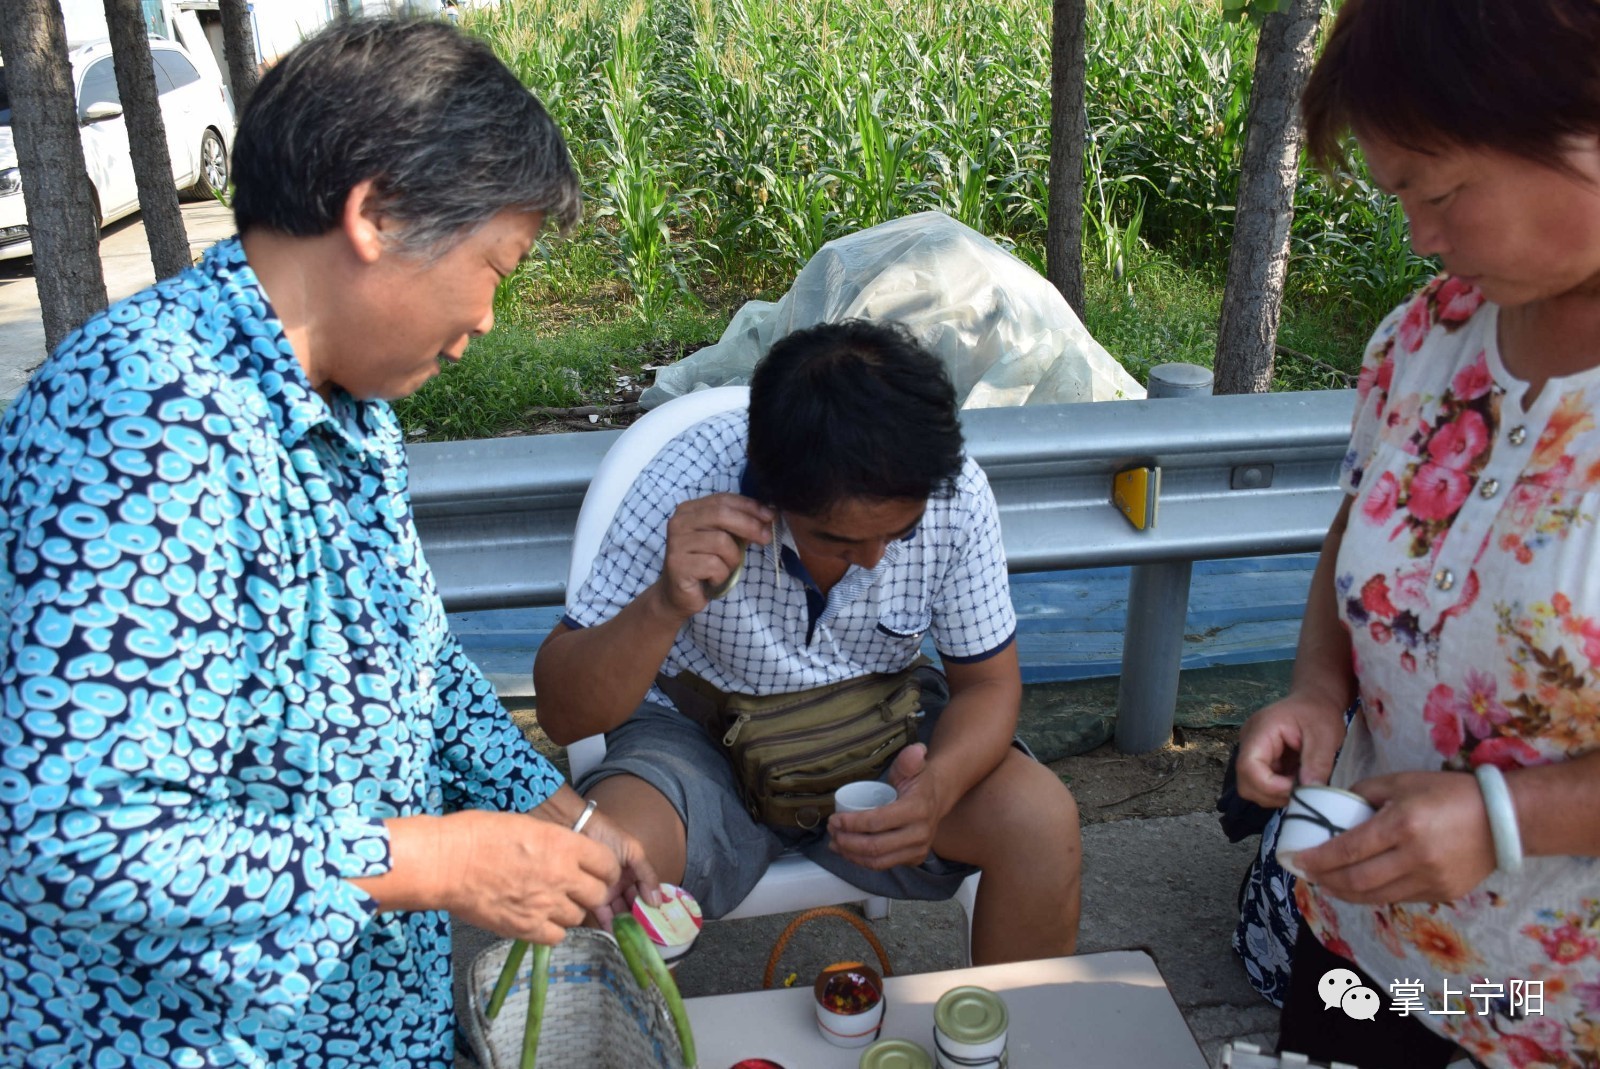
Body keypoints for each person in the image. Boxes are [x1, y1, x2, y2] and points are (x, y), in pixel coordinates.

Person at [0, 19, 657, 1069]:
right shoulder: (150, 419)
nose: (489, 316)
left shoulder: (344, 404)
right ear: (376, 213)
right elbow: (80, 840)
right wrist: (430, 859)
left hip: (358, 1026)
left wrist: (561, 816)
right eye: (496, 265)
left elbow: (417, 664)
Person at [1233, 2, 1600, 1067]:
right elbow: (1360, 543)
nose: (1422, 237)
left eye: (1438, 193)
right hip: (1370, 948)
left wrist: (1501, 816)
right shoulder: (1424, 339)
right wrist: (1316, 691)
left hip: (1558, 1000)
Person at [534, 318, 1082, 965]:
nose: (876, 559)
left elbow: (989, 683)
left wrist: (939, 787)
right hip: (698, 745)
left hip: (876, 736)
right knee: (596, 870)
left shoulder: (952, 490)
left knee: (1041, 821)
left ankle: (1001, 1044)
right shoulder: (687, 479)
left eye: (897, 532)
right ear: (768, 490)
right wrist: (662, 603)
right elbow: (563, 714)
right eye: (841, 540)